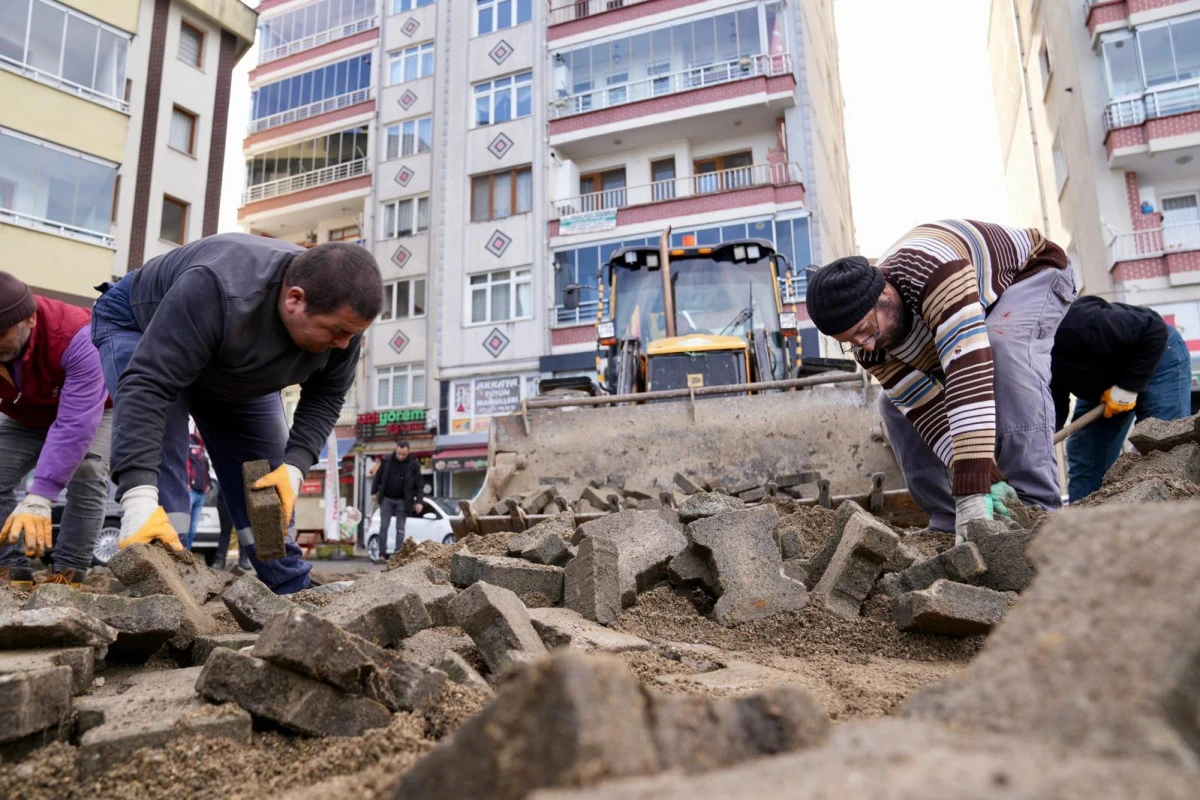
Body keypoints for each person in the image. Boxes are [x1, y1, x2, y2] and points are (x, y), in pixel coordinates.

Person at [91, 233, 382, 595]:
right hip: (139, 323)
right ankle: (163, 587)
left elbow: (327, 396)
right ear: (295, 299)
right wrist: (136, 496)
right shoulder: (216, 287)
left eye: (352, 336)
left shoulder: (344, 330)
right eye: (337, 332)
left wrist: (294, 468)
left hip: (231, 362)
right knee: (162, 460)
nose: (343, 344)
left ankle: (289, 585)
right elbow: (149, 386)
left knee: (265, 473)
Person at [805, 220, 1076, 539]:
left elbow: (968, 374)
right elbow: (927, 410)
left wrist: (972, 491)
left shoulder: (934, 274)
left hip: (1029, 275)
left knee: (1002, 348)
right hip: (963, 309)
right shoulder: (869, 347)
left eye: (865, 329)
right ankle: (947, 520)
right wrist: (987, 479)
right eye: (850, 340)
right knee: (891, 404)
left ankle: (1036, 507)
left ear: (885, 294)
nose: (865, 346)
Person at [0, 272, 111, 589]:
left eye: (1, 333)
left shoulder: (78, 336)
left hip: (95, 408)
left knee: (89, 469)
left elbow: (75, 424)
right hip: (26, 412)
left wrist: (40, 496)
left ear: (31, 319)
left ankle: (69, 572)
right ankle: (9, 567)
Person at [1051, 295, 1192, 502]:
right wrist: (1040, 444)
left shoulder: (1077, 323)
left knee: (1160, 447)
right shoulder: (1035, 360)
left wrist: (1127, 388)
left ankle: (1165, 525)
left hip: (1158, 356)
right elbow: (1054, 405)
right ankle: (1086, 527)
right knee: (1086, 455)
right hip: (1102, 382)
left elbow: (1153, 328)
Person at [371, 439, 424, 561]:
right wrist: (374, 492)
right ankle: (382, 554)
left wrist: (419, 502)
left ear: (408, 452)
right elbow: (378, 476)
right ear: (396, 450)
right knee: (383, 526)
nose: (400, 456)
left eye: (403, 454)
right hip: (387, 499)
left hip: (403, 501)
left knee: (400, 529)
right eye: (398, 453)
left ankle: (397, 556)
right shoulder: (387, 460)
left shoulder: (414, 465)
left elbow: (419, 485)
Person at [185, 430, 211, 550]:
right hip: (190, 491)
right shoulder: (188, 442)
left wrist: (209, 485)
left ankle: (187, 553)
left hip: (201, 493)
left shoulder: (204, 446)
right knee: (183, 527)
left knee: (193, 529)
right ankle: (179, 555)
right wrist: (185, 481)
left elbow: (206, 468)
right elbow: (183, 464)